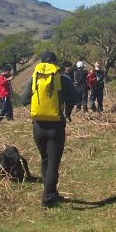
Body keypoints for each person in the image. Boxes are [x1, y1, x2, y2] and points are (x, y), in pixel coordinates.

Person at [19, 51, 77, 208]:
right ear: (55, 62)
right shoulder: (62, 78)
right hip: (56, 126)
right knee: (53, 163)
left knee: (45, 159)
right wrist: (67, 112)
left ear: (42, 62)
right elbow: (74, 98)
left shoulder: (35, 77)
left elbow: (23, 99)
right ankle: (48, 198)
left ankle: (51, 192)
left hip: (38, 126)